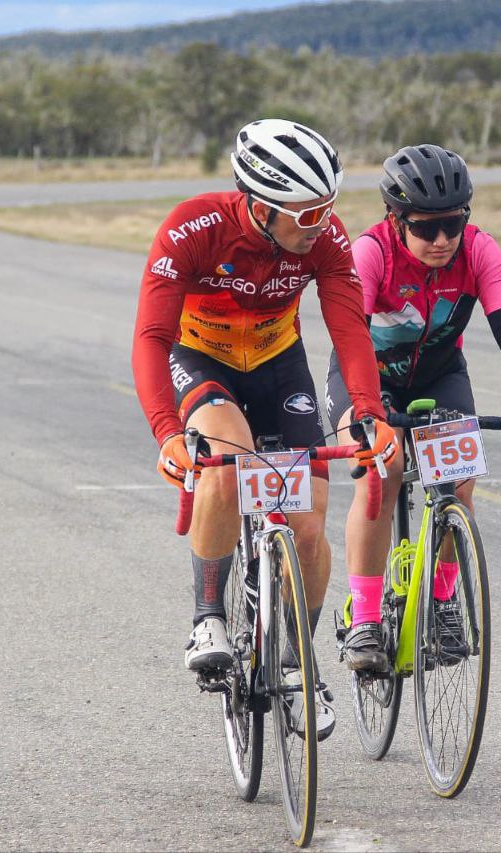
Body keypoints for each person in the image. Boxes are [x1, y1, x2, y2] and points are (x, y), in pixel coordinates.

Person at [131, 119, 397, 738]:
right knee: (228, 465)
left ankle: (296, 662)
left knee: (308, 525)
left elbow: (349, 328)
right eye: (306, 214)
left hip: (279, 365)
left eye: (328, 209)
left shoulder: (324, 238)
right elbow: (150, 336)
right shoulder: (194, 228)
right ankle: (207, 616)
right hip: (202, 360)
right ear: (262, 204)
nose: (322, 224)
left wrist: (367, 411)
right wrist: (167, 431)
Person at [325, 144, 501, 672]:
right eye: (426, 228)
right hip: (365, 373)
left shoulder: (478, 251)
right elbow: (350, 333)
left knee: (459, 480)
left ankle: (445, 602)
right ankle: (363, 618)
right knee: (382, 470)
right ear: (395, 217)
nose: (442, 240)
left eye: (453, 224)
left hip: (438, 372)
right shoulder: (371, 253)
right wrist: (368, 405)